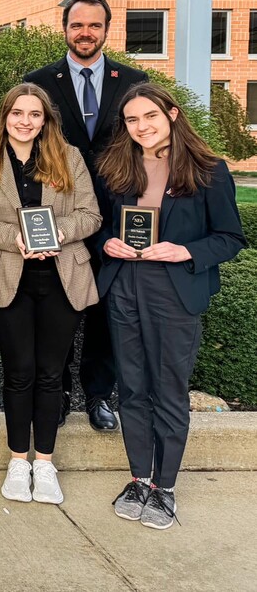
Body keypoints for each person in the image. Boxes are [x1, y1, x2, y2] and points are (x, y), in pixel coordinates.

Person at [97, 83, 244, 530]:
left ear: (173, 115)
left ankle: (165, 487)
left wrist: (184, 251)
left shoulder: (209, 170)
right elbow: (98, 227)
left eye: (150, 117)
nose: (141, 127)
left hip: (175, 290)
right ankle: (139, 477)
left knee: (168, 389)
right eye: (132, 120)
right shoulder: (116, 168)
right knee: (132, 386)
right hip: (125, 286)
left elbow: (231, 238)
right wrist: (109, 242)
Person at [0, 84, 101, 506]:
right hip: (9, 277)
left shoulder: (68, 156)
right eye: (17, 113)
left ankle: (45, 461)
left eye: (34, 114)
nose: (25, 121)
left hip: (61, 277)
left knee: (50, 373)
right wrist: (15, 237)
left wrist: (60, 232)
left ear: (45, 120)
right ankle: (18, 461)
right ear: (5, 117)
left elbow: (90, 214)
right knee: (18, 372)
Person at [25, 0, 147, 431]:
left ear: (106, 30)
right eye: (78, 25)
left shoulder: (134, 80)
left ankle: (97, 394)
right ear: (65, 29)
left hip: (115, 213)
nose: (85, 33)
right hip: (61, 209)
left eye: (94, 26)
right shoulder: (39, 81)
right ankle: (55, 392)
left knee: (104, 307)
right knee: (57, 305)